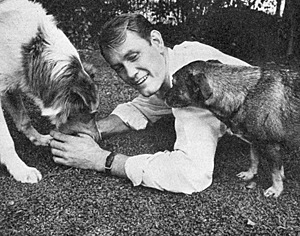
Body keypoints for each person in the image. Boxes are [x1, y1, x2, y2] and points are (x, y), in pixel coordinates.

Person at [50, 13, 250, 194]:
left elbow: (192, 173)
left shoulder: (193, 81)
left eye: (133, 56)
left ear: (156, 41)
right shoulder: (174, 60)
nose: (130, 73)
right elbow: (146, 107)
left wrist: (100, 159)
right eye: (119, 67)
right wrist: (94, 130)